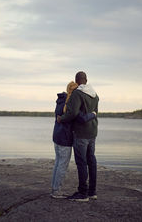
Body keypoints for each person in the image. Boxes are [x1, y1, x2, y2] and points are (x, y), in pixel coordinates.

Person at [57, 71, 99, 202]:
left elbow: (72, 113)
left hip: (81, 133)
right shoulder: (95, 94)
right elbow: (95, 112)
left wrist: (61, 119)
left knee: (81, 162)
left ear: (77, 81)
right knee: (91, 161)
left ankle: (82, 193)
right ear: (86, 80)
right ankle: (92, 192)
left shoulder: (77, 93)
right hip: (92, 132)